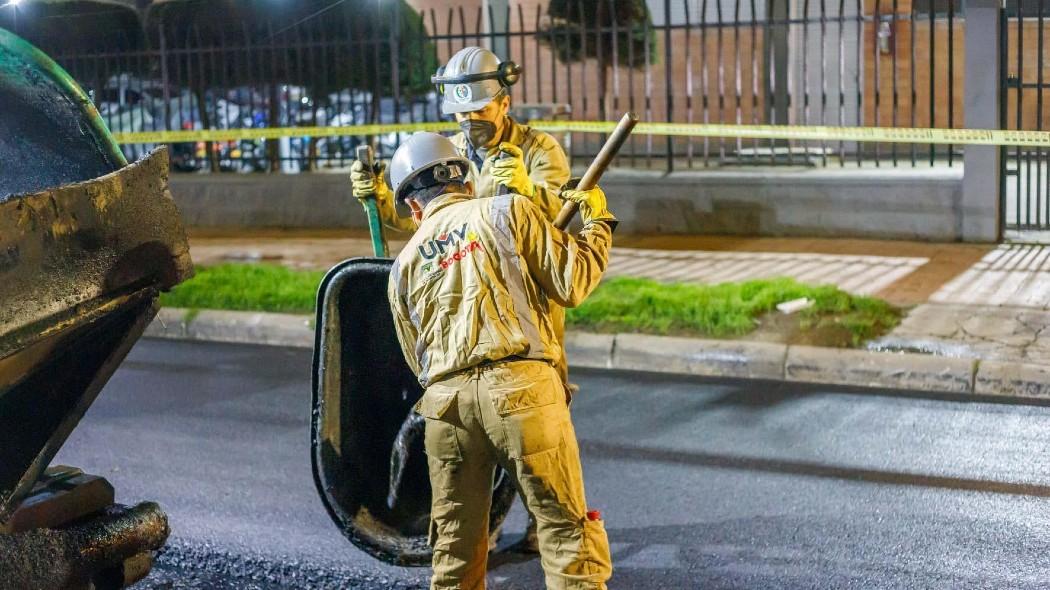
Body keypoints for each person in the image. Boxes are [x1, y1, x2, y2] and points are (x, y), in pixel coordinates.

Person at [353, 45, 574, 553]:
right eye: (461, 113)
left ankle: (549, 521)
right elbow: (425, 221)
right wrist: (382, 199)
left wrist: (527, 193)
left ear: (504, 101)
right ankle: (486, 525)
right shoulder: (449, 151)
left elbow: (559, 217)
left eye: (479, 111)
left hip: (525, 301)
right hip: (466, 302)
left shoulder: (540, 150)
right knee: (482, 427)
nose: (471, 121)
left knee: (537, 415)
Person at [386, 131, 614, 590]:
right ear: (467, 182)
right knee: (566, 534)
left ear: (413, 209)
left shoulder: (403, 264)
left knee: (455, 554)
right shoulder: (508, 210)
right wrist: (599, 222)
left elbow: (417, 357)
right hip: (523, 392)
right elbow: (572, 282)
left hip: (446, 410)